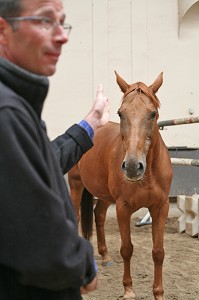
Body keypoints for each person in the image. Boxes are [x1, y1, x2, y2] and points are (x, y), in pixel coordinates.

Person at [0, 0, 110, 299]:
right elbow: (44, 247)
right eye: (46, 21)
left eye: (63, 22)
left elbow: (37, 164)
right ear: (3, 30)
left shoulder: (15, 105)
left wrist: (89, 125)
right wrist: (84, 265)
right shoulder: (7, 112)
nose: (62, 35)